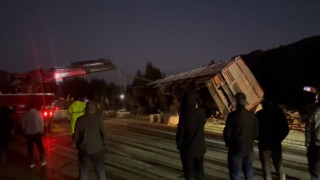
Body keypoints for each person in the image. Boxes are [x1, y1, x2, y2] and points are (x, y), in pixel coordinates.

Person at [223, 92, 259, 180]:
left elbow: (227, 133)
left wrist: (229, 144)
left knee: (235, 175)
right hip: (249, 149)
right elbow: (256, 133)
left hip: (236, 150)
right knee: (249, 172)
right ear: (245, 101)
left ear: (236, 102)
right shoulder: (252, 116)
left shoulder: (232, 116)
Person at [176, 91, 207, 180]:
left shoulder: (184, 116)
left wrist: (180, 147)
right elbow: (203, 123)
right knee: (199, 171)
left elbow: (180, 135)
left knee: (189, 174)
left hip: (188, 150)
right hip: (200, 149)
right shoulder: (201, 113)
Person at [256, 99, 289, 180]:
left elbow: (254, 129)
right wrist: (279, 139)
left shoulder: (260, 114)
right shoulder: (279, 114)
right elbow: (286, 129)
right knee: (279, 168)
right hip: (276, 144)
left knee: (266, 170)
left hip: (264, 145)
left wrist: (259, 138)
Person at [74, 101, 107, 180]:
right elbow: (104, 133)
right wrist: (103, 144)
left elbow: (75, 137)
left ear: (86, 109)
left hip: (84, 149)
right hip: (97, 149)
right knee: (100, 171)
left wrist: (79, 146)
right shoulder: (98, 118)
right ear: (94, 109)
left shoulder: (79, 120)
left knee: (83, 171)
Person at [21, 103, 46, 168]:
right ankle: (43, 161)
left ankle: (31, 163)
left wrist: (25, 131)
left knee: (30, 149)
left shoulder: (25, 114)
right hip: (37, 133)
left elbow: (23, 125)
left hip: (29, 134)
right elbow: (42, 123)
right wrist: (41, 131)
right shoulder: (39, 113)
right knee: (40, 148)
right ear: (34, 107)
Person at [305, 92, 320, 179]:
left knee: (315, 172)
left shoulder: (314, 109)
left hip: (316, 144)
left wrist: (307, 142)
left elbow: (308, 127)